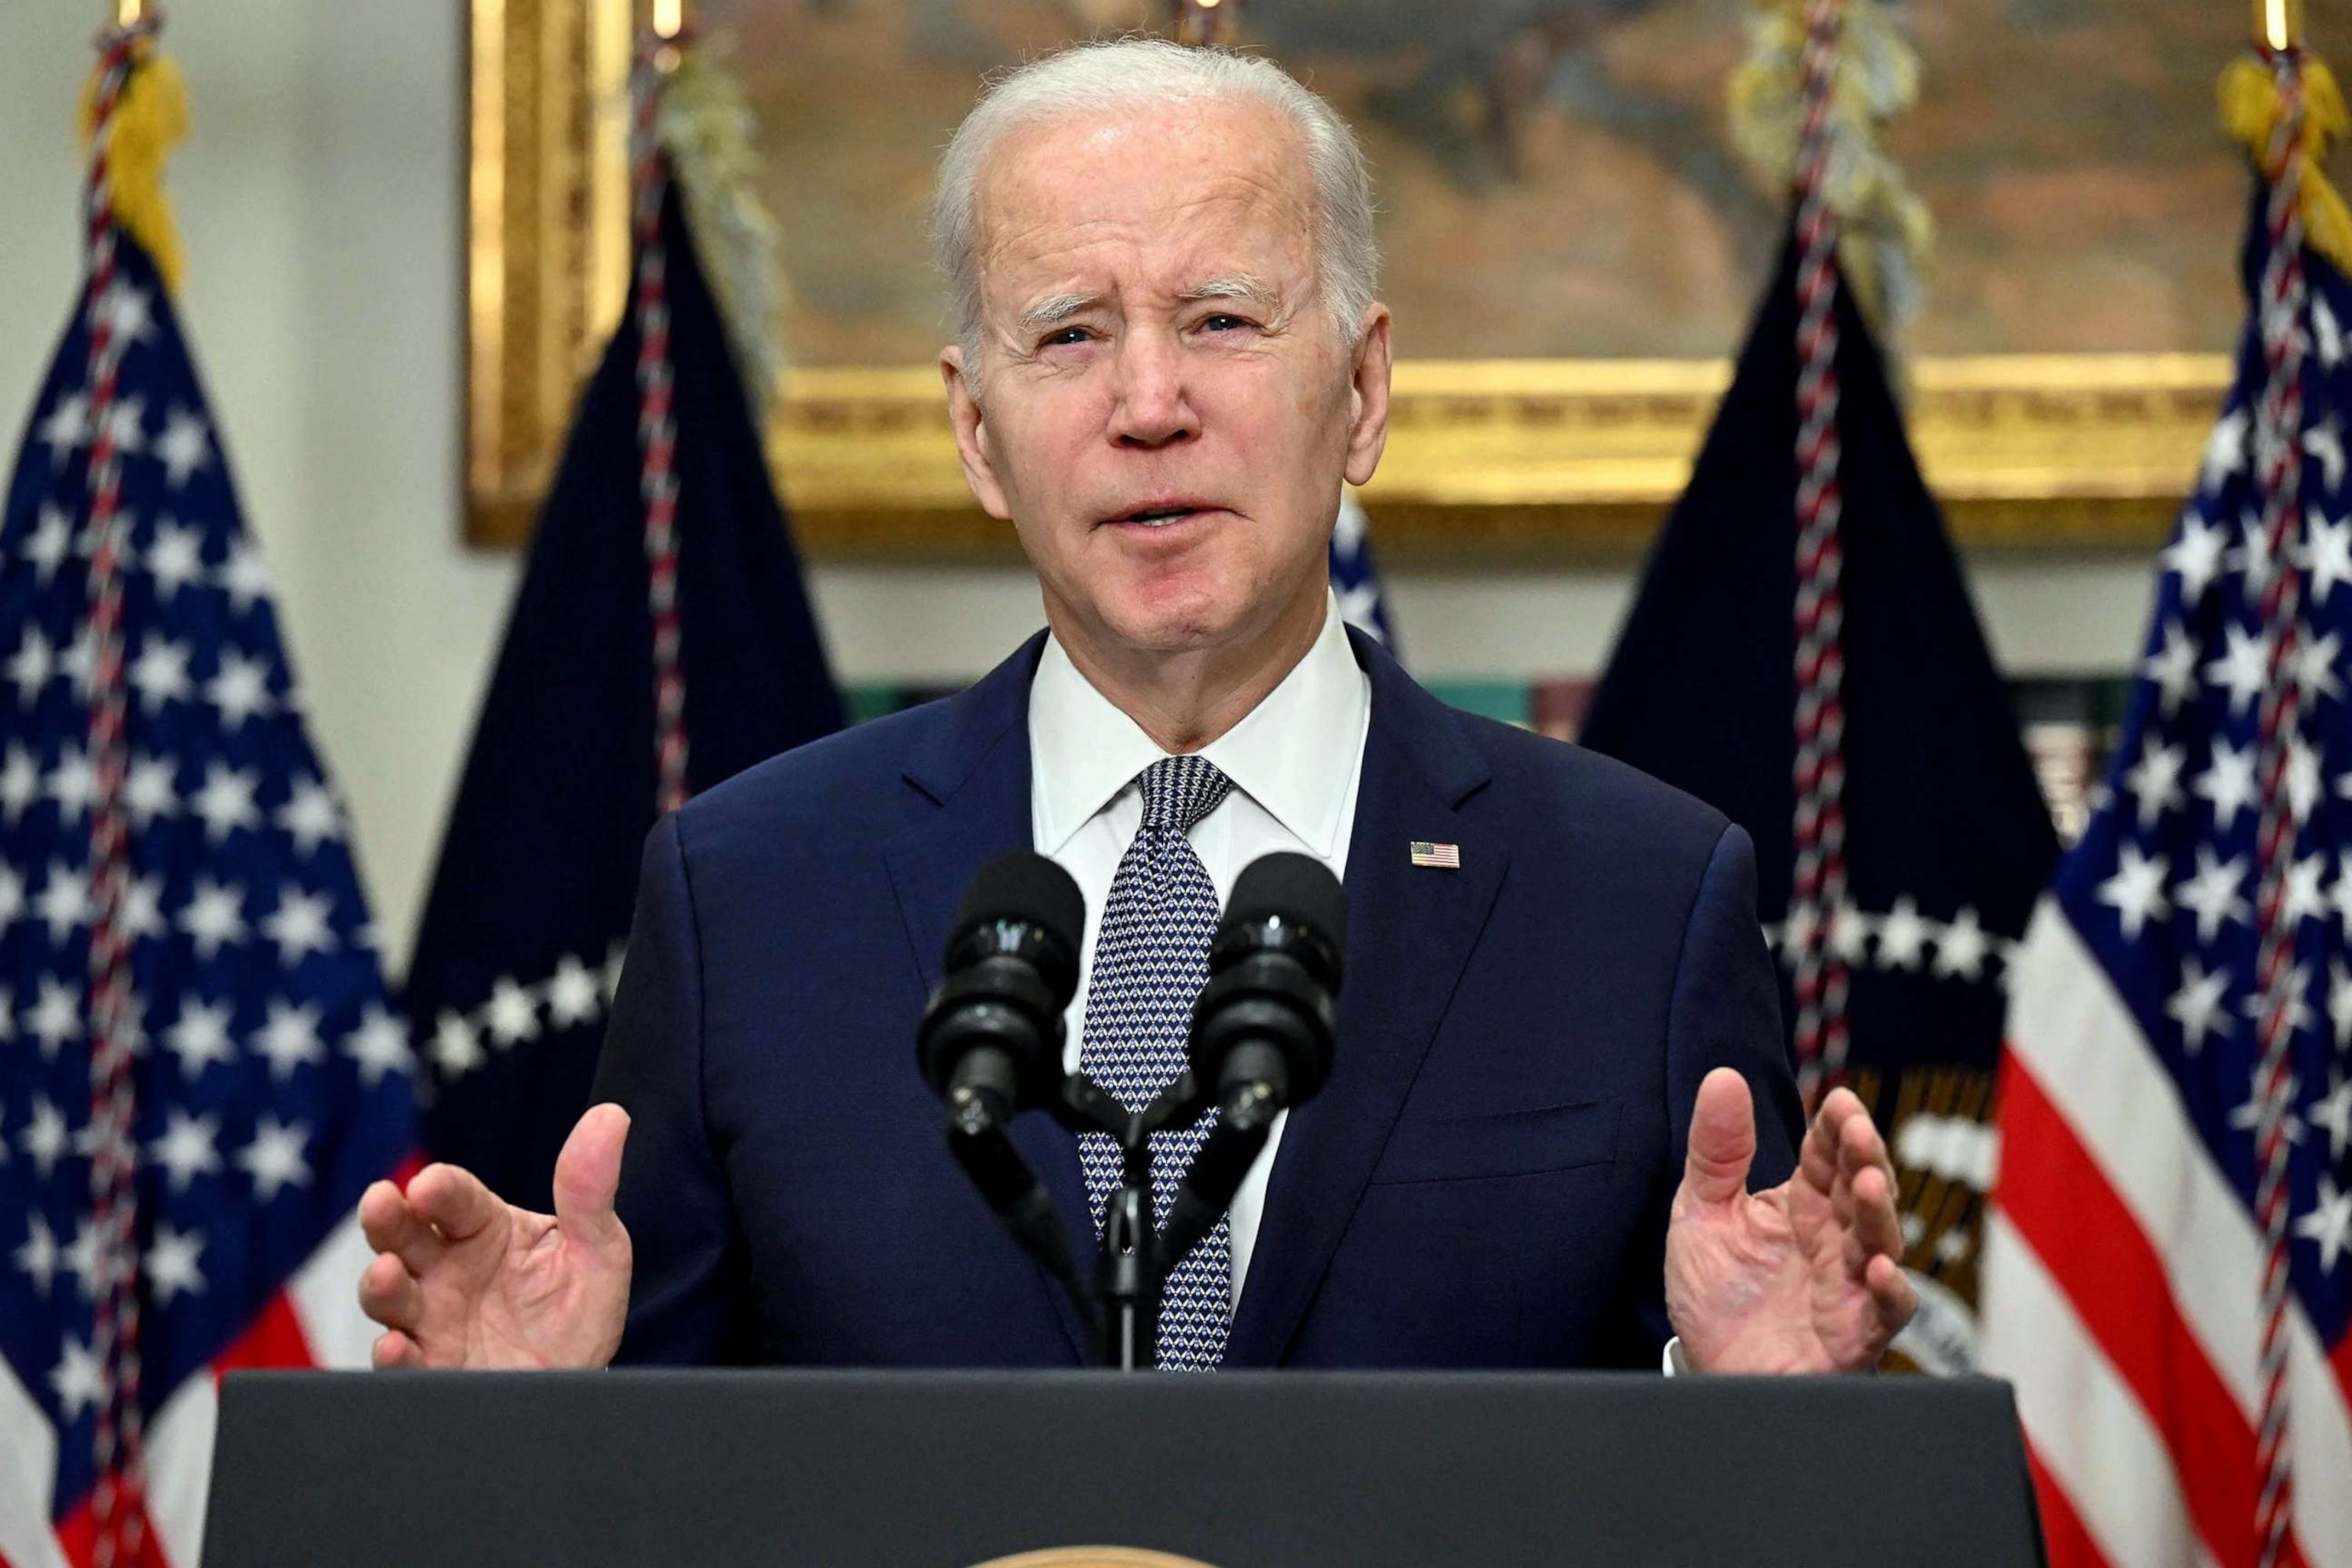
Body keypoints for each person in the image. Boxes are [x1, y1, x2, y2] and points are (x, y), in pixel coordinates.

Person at [357, 39, 1913, 1375]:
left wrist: (1766, 1406)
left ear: (1360, 394)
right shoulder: (751, 893)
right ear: (977, 430)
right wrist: (538, 1422)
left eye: (1223, 319)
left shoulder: (1637, 896)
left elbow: (1725, 1475)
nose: (1150, 403)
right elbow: (679, 1487)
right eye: (1071, 334)